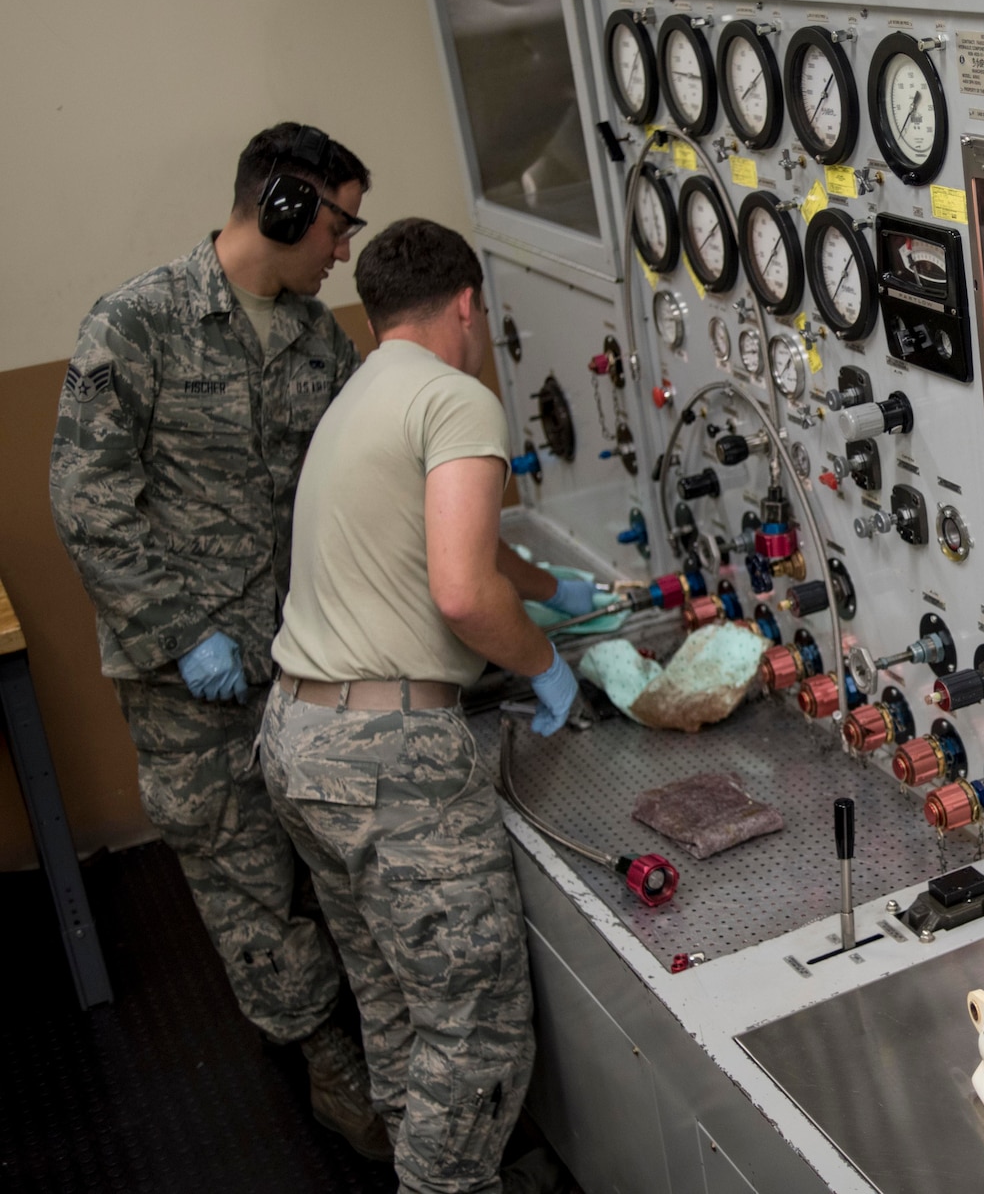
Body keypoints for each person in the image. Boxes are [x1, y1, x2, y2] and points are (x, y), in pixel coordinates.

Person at [50, 122, 391, 1158]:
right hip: (187, 683)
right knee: (244, 879)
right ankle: (329, 1067)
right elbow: (87, 501)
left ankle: (374, 1040)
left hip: (307, 656)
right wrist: (181, 630)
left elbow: (360, 462)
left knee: (334, 863)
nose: (344, 250)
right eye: (340, 223)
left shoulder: (315, 334)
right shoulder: (139, 324)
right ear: (285, 207)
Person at [260, 216, 588, 1194]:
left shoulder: (362, 392)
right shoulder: (456, 398)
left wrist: (545, 589)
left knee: (398, 1007)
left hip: (298, 737)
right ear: (466, 308)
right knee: (475, 1030)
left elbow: (462, 547)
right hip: (389, 758)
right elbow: (456, 589)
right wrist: (545, 665)